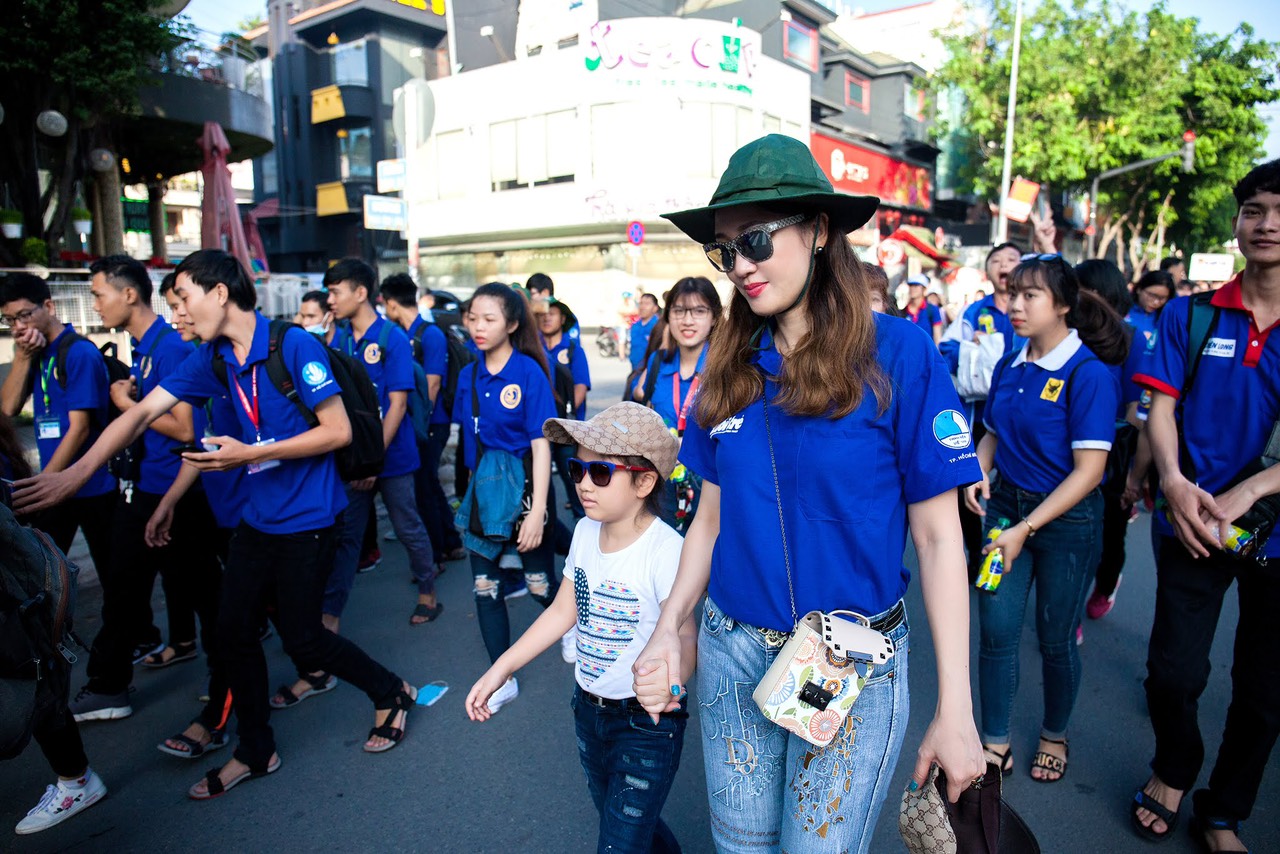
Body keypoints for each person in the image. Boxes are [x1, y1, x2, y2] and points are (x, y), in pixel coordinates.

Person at [636, 134, 985, 852]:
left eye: (756, 240)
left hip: (852, 663)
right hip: (732, 654)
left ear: (820, 230)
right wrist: (671, 626)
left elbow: (940, 536)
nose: (741, 265)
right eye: (726, 249)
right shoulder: (729, 369)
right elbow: (707, 520)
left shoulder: (900, 354)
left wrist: (958, 708)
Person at [12, 249, 418, 799]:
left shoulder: (292, 345)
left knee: (306, 638)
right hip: (257, 522)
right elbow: (140, 413)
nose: (179, 311)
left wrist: (249, 451)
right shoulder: (213, 357)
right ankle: (256, 749)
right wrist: (74, 475)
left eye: (184, 297)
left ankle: (390, 691)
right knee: (230, 635)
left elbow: (338, 431)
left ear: (220, 293)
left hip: (311, 521)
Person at [1128, 160, 1280, 854]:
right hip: (1190, 524)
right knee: (1174, 673)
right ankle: (1174, 767)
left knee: (1265, 690)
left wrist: (1251, 490)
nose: (1268, 224)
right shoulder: (1192, 313)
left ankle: (1224, 811)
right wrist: (1174, 479)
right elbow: (1161, 411)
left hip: (1275, 535)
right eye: (1255, 210)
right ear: (1238, 221)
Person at [466, 403, 694, 853]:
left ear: (644, 481)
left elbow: (685, 633)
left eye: (601, 472)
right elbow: (560, 611)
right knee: (621, 817)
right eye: (577, 468)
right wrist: (502, 668)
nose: (584, 483)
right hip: (588, 710)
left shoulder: (667, 550)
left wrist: (672, 679)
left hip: (645, 721)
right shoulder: (587, 531)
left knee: (620, 841)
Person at [963, 256, 1125, 782]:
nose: (1014, 304)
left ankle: (1055, 733)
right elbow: (993, 432)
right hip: (1004, 511)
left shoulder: (1089, 375)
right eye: (1013, 293)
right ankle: (995, 742)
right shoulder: (1012, 363)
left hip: (1066, 525)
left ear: (1062, 306)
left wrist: (1024, 530)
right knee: (995, 630)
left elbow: (1090, 472)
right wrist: (977, 471)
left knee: (1056, 637)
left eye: (1030, 295)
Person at [453, 282, 559, 713]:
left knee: (538, 586)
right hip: (485, 494)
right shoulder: (468, 375)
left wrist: (537, 514)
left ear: (512, 324)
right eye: (472, 317)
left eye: (489, 319)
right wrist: (468, 501)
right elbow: (468, 447)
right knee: (485, 587)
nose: (478, 327)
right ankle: (502, 676)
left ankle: (571, 624)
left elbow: (541, 444)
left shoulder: (529, 372)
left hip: (527, 491)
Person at [324, 259, 442, 627]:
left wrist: (373, 460)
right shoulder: (340, 338)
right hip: (354, 458)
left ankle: (428, 593)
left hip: (391, 457)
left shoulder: (392, 338)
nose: (330, 300)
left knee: (407, 525)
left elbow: (398, 403)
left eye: (335, 292)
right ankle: (330, 616)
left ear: (360, 293)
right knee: (348, 536)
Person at [0, 273, 116, 628]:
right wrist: (22, 356)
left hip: (90, 484)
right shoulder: (35, 353)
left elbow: (80, 429)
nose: (18, 326)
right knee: (43, 566)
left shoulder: (78, 352)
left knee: (113, 572)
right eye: (8, 320)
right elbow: (6, 412)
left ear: (48, 307)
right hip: (56, 484)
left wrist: (49, 482)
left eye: (24, 316)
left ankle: (136, 635)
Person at [3, 501, 108, 835]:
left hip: (19, 612)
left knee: (40, 684)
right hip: (22, 608)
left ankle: (77, 781)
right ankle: (77, 779)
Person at [380, 272, 466, 571]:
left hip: (432, 422)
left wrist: (420, 425)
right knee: (427, 483)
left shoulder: (429, 334)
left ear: (391, 303)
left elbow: (432, 386)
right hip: (419, 423)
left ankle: (437, 552)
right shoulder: (401, 333)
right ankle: (450, 543)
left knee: (423, 486)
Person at [1075, 259, 1144, 625]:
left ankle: (1106, 582)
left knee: (1110, 534)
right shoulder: (1065, 331)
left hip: (1113, 451)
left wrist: (1134, 467)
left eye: (1090, 289)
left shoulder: (1132, 337)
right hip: (1069, 450)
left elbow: (1137, 408)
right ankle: (1068, 621)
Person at [633, 276, 722, 531]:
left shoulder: (726, 369)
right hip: (663, 485)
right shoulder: (658, 362)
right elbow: (647, 410)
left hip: (711, 487)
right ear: (668, 316)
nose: (687, 320)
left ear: (714, 317)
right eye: (679, 311)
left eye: (699, 311)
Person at [542, 299, 591, 523]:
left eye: (552, 314)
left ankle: (584, 525)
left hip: (567, 431)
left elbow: (580, 387)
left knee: (575, 485)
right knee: (539, 485)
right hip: (538, 429)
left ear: (562, 319)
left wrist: (565, 416)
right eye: (543, 314)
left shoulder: (573, 349)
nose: (547, 318)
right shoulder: (534, 348)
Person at [1126, 270, 1174, 346]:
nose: (1156, 302)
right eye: (1152, 295)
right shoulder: (1122, 310)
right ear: (1139, 289)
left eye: (1162, 298)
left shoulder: (1168, 319)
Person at [904, 274, 944, 344]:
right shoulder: (903, 312)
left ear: (924, 289)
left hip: (926, 352)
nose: (912, 289)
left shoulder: (932, 310)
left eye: (916, 286)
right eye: (911, 286)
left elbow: (937, 337)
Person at [629, 292, 661, 370]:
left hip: (652, 370)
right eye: (641, 303)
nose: (643, 307)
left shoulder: (658, 326)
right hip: (635, 368)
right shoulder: (635, 326)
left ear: (655, 308)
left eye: (647, 304)